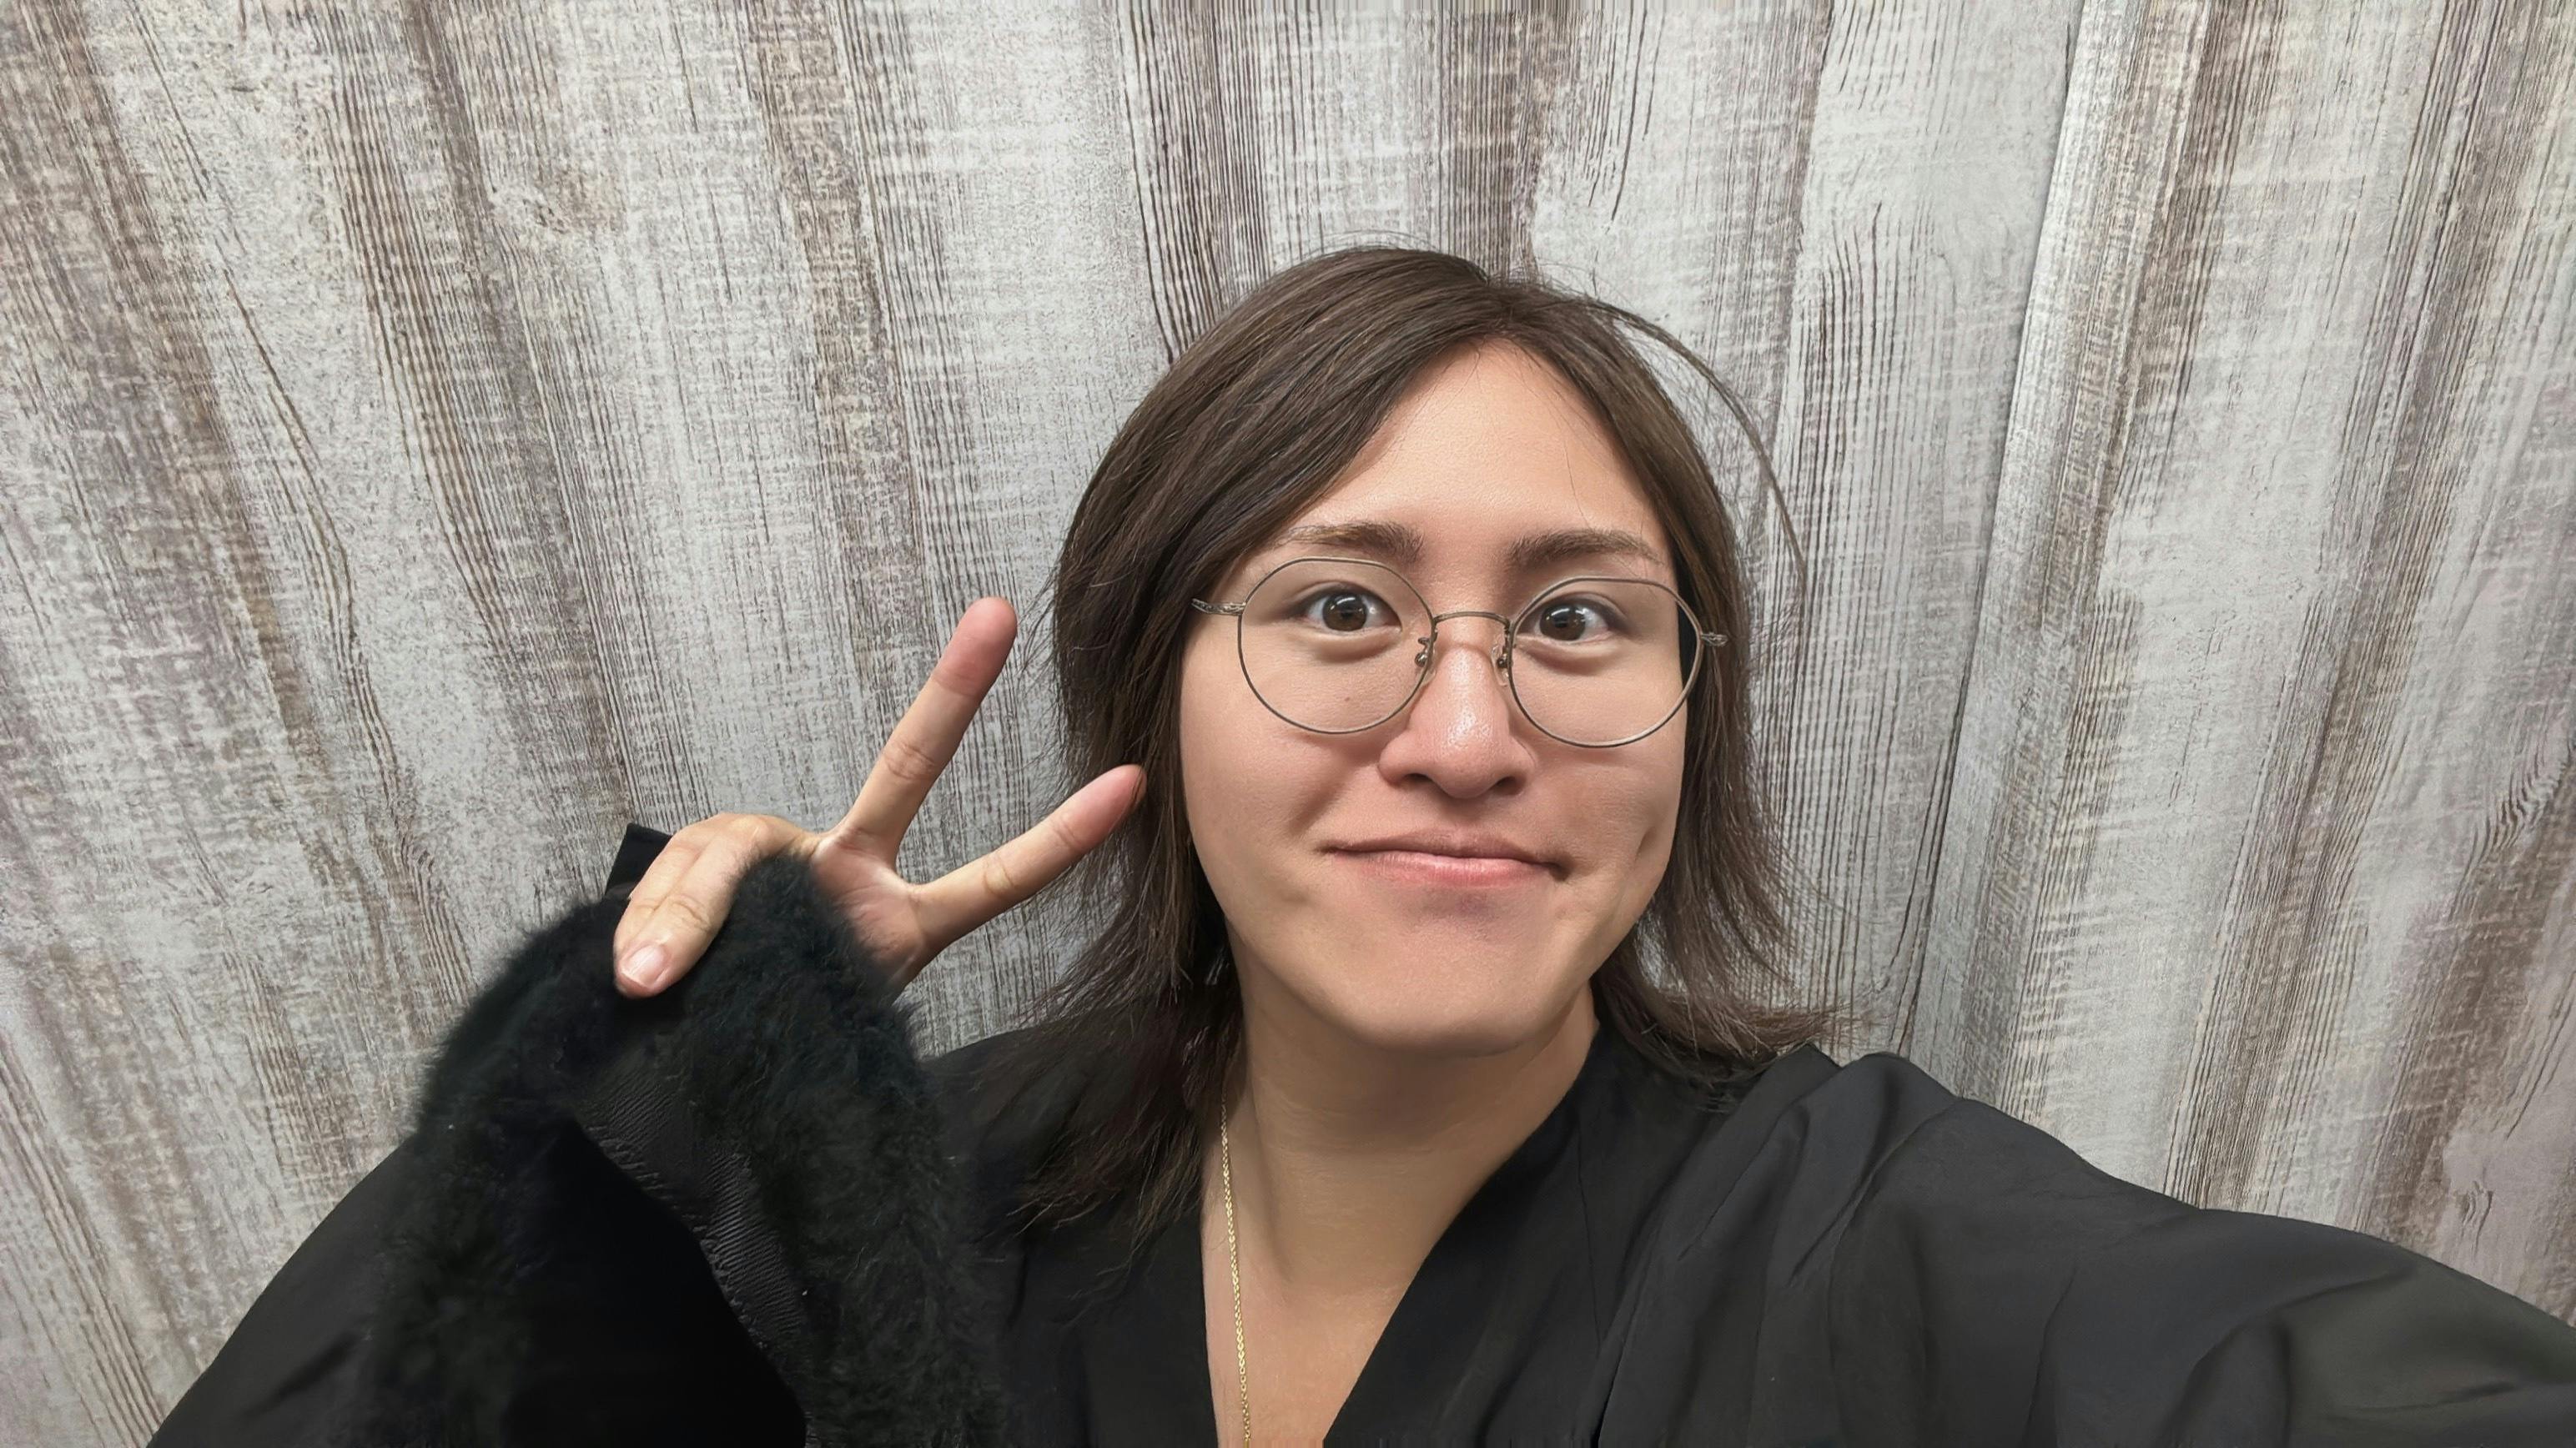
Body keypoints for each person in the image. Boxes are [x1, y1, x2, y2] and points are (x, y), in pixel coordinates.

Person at [153, 246, 2576, 1445]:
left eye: (1578, 621)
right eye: (1337, 608)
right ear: (1154, 690)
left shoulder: (1871, 1240)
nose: (1469, 732)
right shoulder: (922, 1195)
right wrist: (663, 1071)